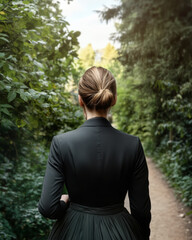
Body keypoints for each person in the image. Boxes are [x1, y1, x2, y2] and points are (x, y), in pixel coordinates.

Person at [38, 66, 151, 240]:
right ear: (113, 100)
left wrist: (64, 201)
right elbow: (141, 211)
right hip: (120, 231)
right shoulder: (133, 145)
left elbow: (48, 208)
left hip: (71, 231)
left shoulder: (61, 143)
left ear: (80, 100)